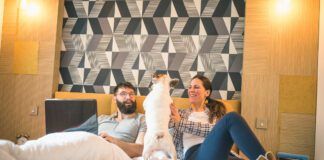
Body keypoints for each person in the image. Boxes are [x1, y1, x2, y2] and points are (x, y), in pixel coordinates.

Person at [170, 75, 275, 160]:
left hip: (220, 153)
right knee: (231, 118)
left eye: (196, 87)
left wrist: (181, 123)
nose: (191, 90)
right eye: (190, 87)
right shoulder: (180, 113)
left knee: (233, 118)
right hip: (194, 155)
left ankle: (262, 158)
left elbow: (212, 131)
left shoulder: (214, 112)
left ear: (207, 93)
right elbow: (160, 127)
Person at [98, 82, 146, 158]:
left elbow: (141, 149)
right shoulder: (101, 118)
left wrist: (114, 141)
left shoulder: (142, 119)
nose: (128, 97)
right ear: (114, 99)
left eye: (131, 94)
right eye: (123, 94)